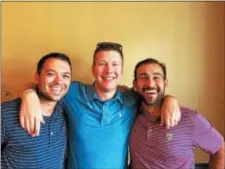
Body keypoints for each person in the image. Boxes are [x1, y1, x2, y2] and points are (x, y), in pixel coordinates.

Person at [19, 42, 181, 169]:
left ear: (122, 70)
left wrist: (170, 99)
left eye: (115, 64)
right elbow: (45, 86)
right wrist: (29, 94)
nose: (109, 70)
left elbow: (152, 95)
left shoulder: (132, 98)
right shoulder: (72, 93)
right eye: (102, 63)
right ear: (93, 69)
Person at [129, 58, 224, 169]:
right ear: (135, 85)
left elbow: (219, 148)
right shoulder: (130, 113)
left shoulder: (190, 119)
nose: (150, 83)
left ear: (165, 82)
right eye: (143, 77)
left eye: (156, 77)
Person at [1, 52, 72, 169]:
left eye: (65, 76)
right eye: (51, 74)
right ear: (37, 78)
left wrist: (28, 92)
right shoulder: (5, 113)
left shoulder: (65, 111)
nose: (59, 81)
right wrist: (29, 93)